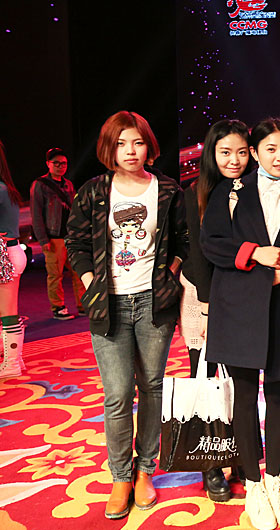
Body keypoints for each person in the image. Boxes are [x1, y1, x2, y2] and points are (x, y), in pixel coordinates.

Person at [65, 111, 188, 519]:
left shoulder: (166, 190)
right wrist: (90, 283)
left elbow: (184, 239)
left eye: (137, 142)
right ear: (109, 148)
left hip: (154, 304)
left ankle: (144, 471)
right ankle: (120, 476)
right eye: (121, 143)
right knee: (117, 393)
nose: (130, 151)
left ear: (148, 145)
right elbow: (76, 242)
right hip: (109, 305)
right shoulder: (94, 192)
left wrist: (170, 275)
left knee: (151, 387)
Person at [201, 118, 280, 530]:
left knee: (279, 396)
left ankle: (274, 480)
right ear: (255, 153)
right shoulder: (230, 192)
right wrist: (255, 253)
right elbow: (212, 244)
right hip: (238, 309)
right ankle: (253, 484)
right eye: (270, 149)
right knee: (245, 397)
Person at [179, 119, 251, 502]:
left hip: (241, 297)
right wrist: (207, 308)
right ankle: (211, 465)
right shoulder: (196, 193)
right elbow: (197, 252)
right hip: (203, 297)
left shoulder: (255, 189)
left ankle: (239, 455)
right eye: (225, 152)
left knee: (241, 382)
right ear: (212, 153)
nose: (234, 160)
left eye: (241, 152)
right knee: (205, 379)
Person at [30, 147, 86, 320]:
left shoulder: (68, 184)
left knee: (79, 272)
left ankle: (83, 305)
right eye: (56, 163)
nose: (61, 166)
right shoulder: (40, 185)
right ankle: (58, 307)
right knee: (55, 275)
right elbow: (36, 214)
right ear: (48, 164)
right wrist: (43, 239)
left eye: (64, 163)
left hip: (71, 236)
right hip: (53, 237)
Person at [0, 139, 27, 380]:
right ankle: (14, 360)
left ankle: (12, 363)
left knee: (8, 312)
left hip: (5, 254)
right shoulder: (5, 188)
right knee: (7, 311)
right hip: (11, 251)